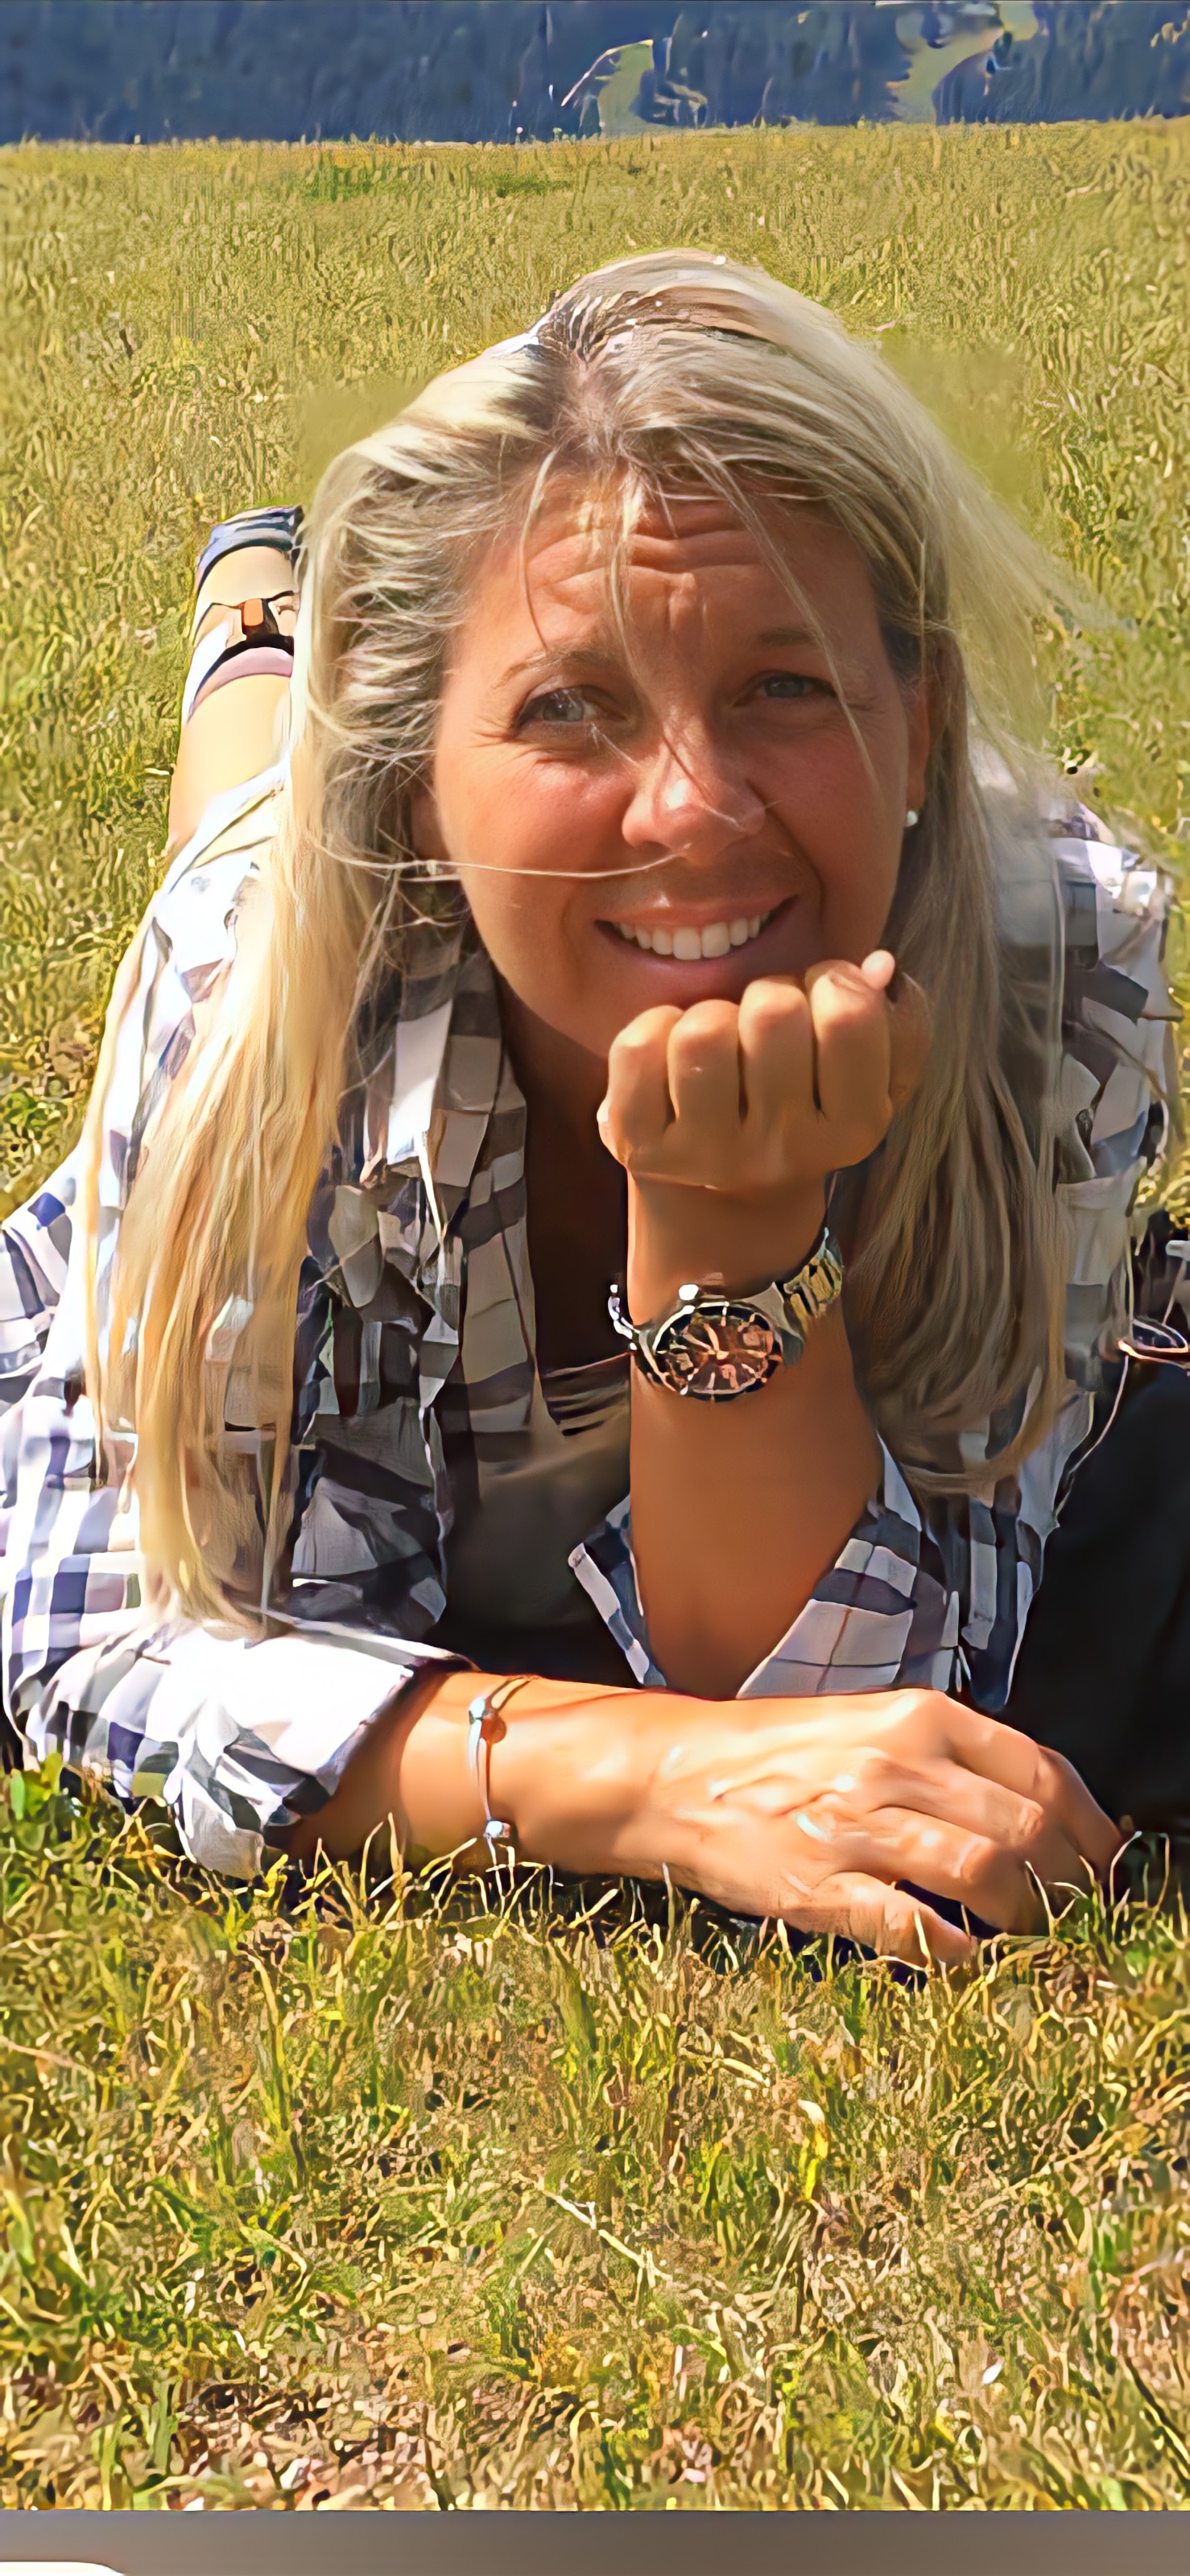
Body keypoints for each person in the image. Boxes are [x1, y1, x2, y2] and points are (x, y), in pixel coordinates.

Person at [0, 252, 1175, 1966]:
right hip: (305, 912)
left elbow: (874, 1721)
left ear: (917, 720)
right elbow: (102, 1638)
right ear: (419, 772)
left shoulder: (1057, 956)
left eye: (784, 685)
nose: (693, 810)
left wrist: (729, 1225)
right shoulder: (250, 979)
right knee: (241, 844)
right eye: (569, 705)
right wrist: (640, 1777)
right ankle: (257, 625)